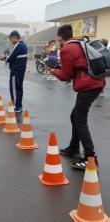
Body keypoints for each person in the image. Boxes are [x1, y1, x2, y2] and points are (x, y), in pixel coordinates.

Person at [50, 25, 105, 170]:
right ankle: (74, 148)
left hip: (88, 86)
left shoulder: (67, 49)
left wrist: (53, 71)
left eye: (59, 40)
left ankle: (90, 158)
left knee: (79, 120)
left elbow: (65, 76)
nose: (59, 43)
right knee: (75, 116)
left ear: (60, 38)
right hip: (95, 82)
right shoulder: (79, 44)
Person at [1, 31, 28, 113]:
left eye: (10, 38)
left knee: (14, 89)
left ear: (14, 37)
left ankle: (16, 106)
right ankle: (19, 106)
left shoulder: (18, 45)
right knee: (19, 89)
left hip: (16, 71)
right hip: (20, 71)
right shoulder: (23, 45)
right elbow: (14, 56)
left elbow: (11, 57)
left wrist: (4, 58)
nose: (10, 40)